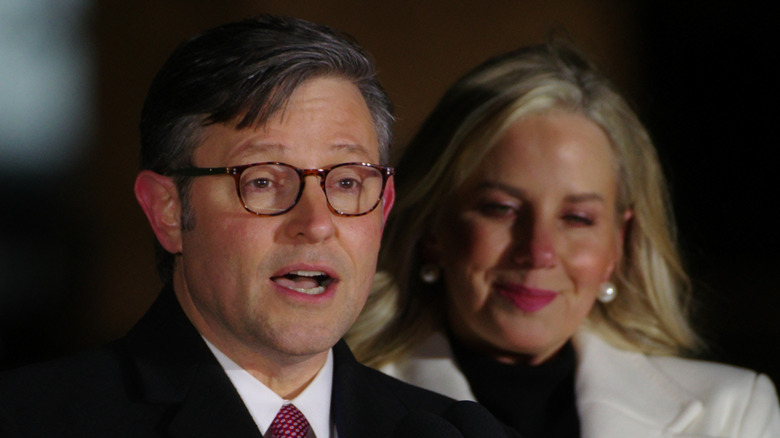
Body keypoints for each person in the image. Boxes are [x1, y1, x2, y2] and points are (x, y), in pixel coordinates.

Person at [0, 15, 521, 438]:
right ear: (168, 211)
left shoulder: (458, 432)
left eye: (345, 183)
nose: (316, 225)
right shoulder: (30, 419)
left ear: (383, 208)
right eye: (264, 181)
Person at [346, 40, 780, 437]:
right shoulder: (333, 402)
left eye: (576, 217)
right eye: (502, 208)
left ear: (618, 243)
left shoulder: (732, 412)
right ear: (432, 228)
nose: (538, 252)